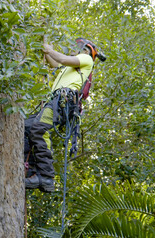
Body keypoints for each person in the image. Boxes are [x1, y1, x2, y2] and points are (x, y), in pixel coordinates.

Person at [24, 37, 102, 192]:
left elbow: (63, 58)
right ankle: (32, 170)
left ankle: (46, 176)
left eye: (80, 48)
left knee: (39, 129)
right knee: (26, 126)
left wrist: (49, 49)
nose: (76, 49)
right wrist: (46, 50)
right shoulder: (69, 67)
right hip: (55, 101)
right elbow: (55, 63)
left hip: (62, 101)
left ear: (86, 51)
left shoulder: (86, 60)